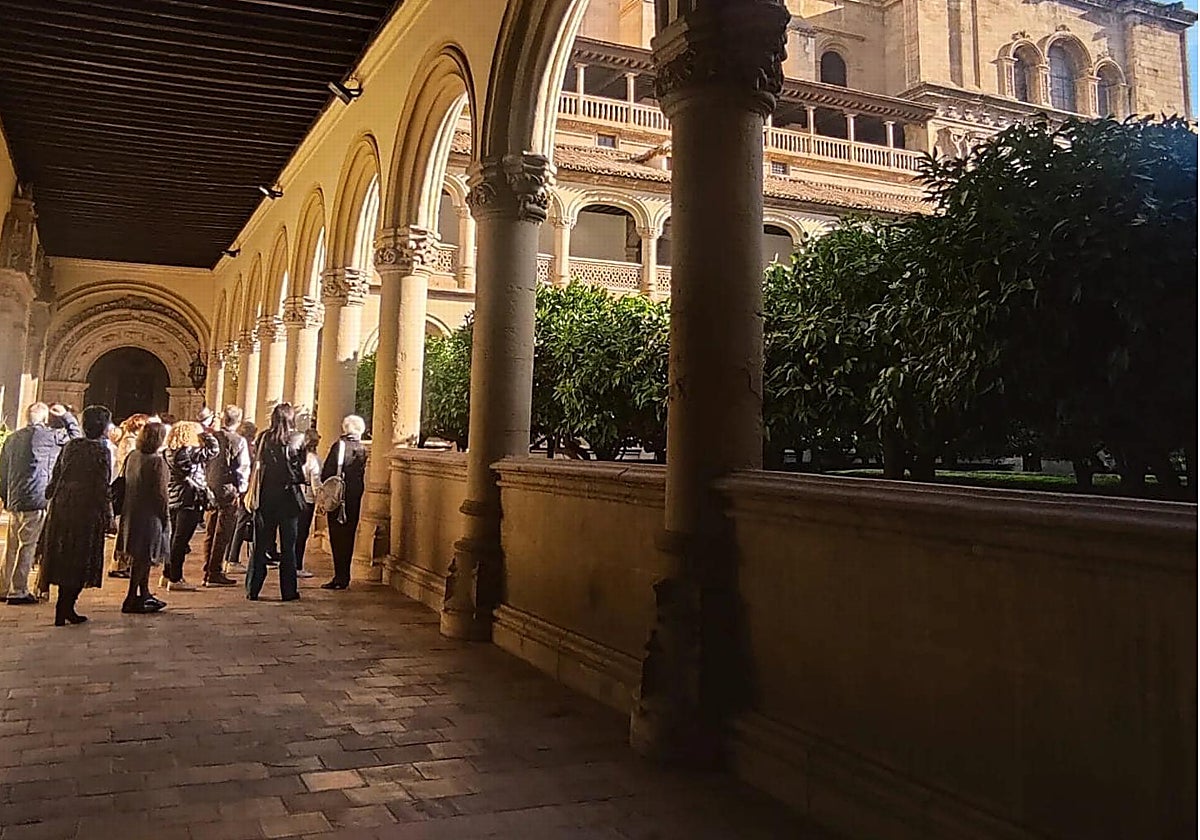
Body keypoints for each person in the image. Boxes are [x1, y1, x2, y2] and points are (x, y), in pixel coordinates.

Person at [37, 405, 113, 626]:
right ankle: (67, 605)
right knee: (81, 557)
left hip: (63, 504)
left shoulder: (72, 446)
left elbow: (57, 472)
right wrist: (107, 514)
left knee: (65, 554)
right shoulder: (101, 450)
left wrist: (52, 492)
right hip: (86, 509)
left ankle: (64, 607)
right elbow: (102, 483)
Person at [0, 403, 81, 605]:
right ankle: (18, 590)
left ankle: (3, 585)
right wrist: (67, 416)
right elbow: (77, 439)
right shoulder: (50, 437)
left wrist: (6, 496)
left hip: (15, 498)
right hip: (36, 497)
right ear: (45, 419)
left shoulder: (12, 439)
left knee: (12, 545)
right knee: (27, 545)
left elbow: (2, 471)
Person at [247, 403, 304, 602]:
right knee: (288, 547)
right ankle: (288, 591)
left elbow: (257, 462)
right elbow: (300, 470)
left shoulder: (263, 437)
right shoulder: (297, 439)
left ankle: (252, 588)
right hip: (288, 499)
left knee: (260, 544)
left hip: (265, 497)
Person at [118, 422, 170, 614]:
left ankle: (144, 592)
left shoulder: (133, 456)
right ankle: (132, 597)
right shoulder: (156, 461)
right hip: (150, 514)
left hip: (132, 510)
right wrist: (165, 517)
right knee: (145, 556)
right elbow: (160, 494)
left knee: (139, 556)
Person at [163, 420, 219, 592]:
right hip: (189, 498)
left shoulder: (168, 452)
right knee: (181, 539)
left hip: (173, 497)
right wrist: (206, 433)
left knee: (174, 539)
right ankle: (176, 577)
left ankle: (167, 574)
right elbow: (214, 449)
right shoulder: (190, 452)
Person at [201, 406, 248, 587]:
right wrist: (242, 489)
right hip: (228, 488)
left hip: (211, 486)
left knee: (210, 529)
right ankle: (215, 571)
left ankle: (208, 569)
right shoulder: (238, 441)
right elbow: (242, 467)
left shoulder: (211, 438)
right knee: (223, 531)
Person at [321, 414, 368, 591]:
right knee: (349, 536)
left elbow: (327, 474)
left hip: (338, 498)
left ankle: (339, 575)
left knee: (337, 536)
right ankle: (345, 574)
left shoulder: (339, 446)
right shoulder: (362, 449)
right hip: (354, 498)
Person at [109, 413, 151, 579]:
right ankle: (119, 563)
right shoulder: (129, 442)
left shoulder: (131, 441)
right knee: (125, 529)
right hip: (129, 487)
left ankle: (124, 562)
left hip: (132, 487)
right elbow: (129, 464)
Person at [225, 419, 258, 572]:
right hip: (245, 489)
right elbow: (246, 469)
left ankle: (228, 557)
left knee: (235, 523)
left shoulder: (233, 444)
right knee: (241, 523)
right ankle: (232, 558)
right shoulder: (246, 447)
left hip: (237, 488)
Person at [294, 428, 322, 579]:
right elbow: (316, 481)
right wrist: (321, 500)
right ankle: (297, 565)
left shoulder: (297, 457)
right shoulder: (313, 460)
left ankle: (289, 563)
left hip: (293, 496)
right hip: (307, 498)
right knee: (301, 534)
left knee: (292, 533)